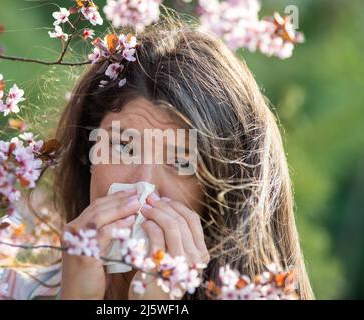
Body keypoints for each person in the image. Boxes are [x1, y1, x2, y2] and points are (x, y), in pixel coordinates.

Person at [51, 15, 314, 300]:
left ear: (220, 193)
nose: (143, 186)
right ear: (86, 153)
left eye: (180, 162)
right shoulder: (7, 286)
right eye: (123, 148)